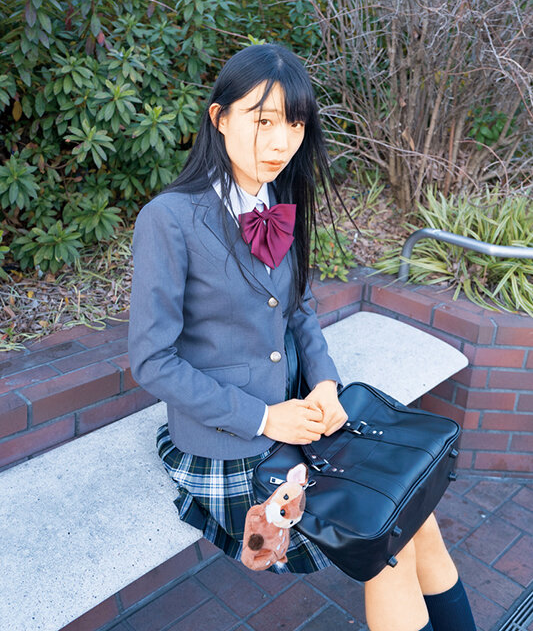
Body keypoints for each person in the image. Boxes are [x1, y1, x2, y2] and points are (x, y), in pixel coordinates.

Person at [128, 43, 476, 631]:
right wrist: (267, 418)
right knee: (383, 548)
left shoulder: (278, 198)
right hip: (232, 442)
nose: (281, 141)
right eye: (262, 120)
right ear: (219, 118)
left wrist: (325, 384)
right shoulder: (169, 219)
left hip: (302, 420)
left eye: (294, 124)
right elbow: (152, 361)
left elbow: (299, 310)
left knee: (415, 517)